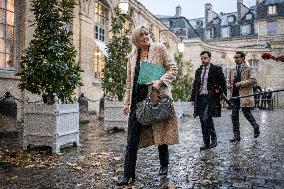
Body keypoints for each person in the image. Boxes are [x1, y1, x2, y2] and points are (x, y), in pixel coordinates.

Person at [117, 25, 179, 186]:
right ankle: (127, 175)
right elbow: (129, 83)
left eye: (147, 33)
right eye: (142, 35)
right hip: (137, 103)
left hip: (156, 99)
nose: (146, 36)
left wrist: (161, 80)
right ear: (136, 40)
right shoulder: (132, 56)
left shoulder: (159, 49)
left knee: (161, 136)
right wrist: (126, 103)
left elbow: (173, 69)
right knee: (132, 140)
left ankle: (164, 165)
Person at [190, 51, 227, 151]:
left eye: (205, 58)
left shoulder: (216, 69)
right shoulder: (198, 71)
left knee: (206, 118)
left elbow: (223, 84)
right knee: (202, 121)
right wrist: (193, 98)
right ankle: (206, 143)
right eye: (202, 58)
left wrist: (223, 98)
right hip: (200, 98)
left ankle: (214, 138)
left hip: (211, 98)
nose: (203, 60)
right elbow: (195, 86)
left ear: (209, 58)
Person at [228, 51, 260, 142]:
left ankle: (256, 126)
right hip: (234, 95)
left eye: (238, 57)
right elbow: (231, 81)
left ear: (242, 58)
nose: (236, 59)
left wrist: (240, 84)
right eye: (235, 58)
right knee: (234, 116)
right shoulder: (233, 69)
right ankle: (236, 136)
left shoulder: (249, 68)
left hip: (244, 95)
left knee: (247, 114)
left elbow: (253, 80)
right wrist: (230, 85)